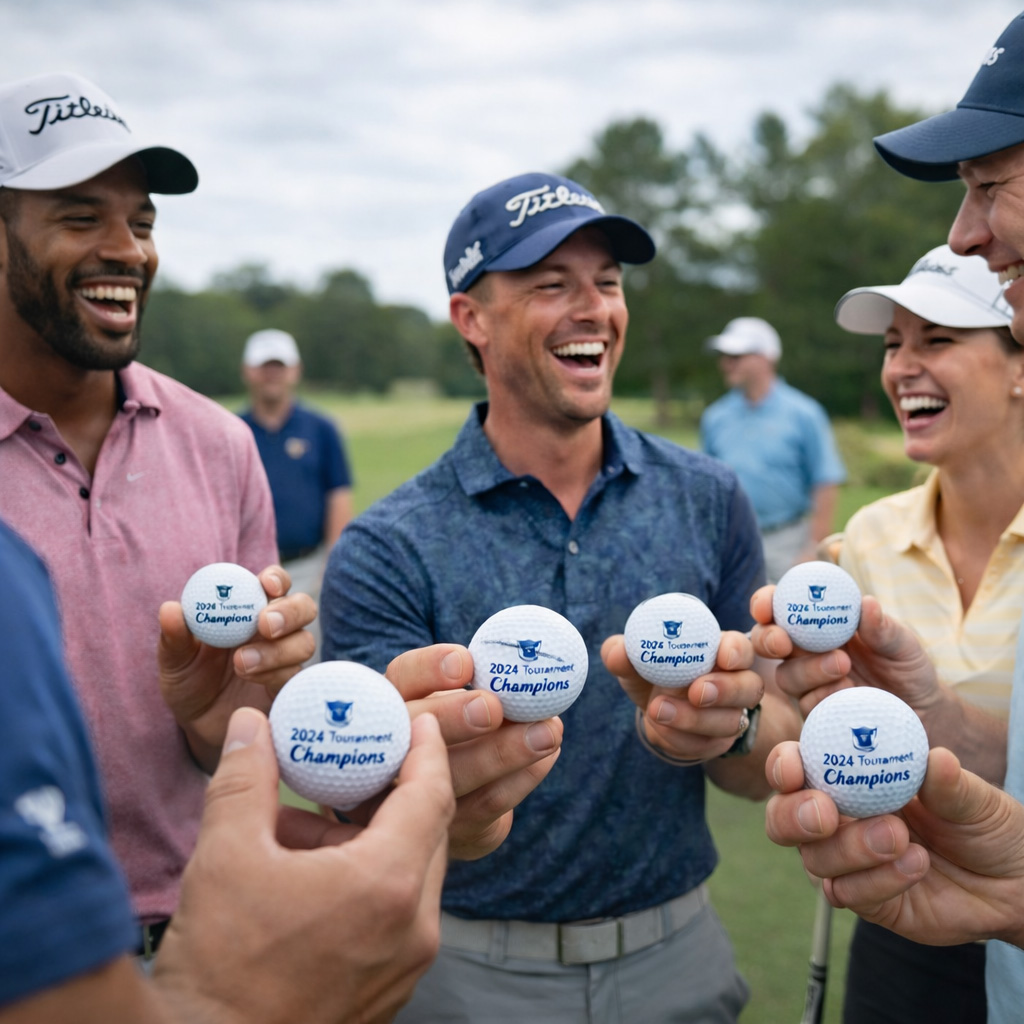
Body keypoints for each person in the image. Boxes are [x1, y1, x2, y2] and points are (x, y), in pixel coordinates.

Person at [321, 171, 802, 1024]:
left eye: (608, 284)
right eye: (552, 285)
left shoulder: (708, 496)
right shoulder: (386, 544)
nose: (595, 309)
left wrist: (732, 724)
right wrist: (442, 793)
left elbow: (754, 768)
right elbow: (359, 801)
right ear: (471, 318)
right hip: (463, 973)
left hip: (678, 960)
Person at [0, 71, 315, 958]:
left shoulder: (220, 444)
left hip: (197, 932)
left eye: (141, 221)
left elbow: (223, 747)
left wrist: (239, 707)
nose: (127, 249)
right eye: (79, 215)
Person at [0, 515, 455, 1023]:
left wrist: (217, 732)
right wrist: (228, 1008)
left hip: (202, 907)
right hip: (108, 955)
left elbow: (224, 736)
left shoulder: (227, 444)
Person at [803, 241, 1024, 1022]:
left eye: (937, 339)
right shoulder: (867, 535)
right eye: (894, 344)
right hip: (904, 908)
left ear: (1019, 364)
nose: (902, 366)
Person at [700, 316, 846, 583]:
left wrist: (813, 546)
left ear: (766, 358)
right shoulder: (715, 417)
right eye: (724, 356)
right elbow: (708, 486)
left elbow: (825, 481)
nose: (726, 363)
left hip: (788, 542)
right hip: (731, 543)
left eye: (736, 355)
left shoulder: (804, 413)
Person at [239, 327, 354, 655]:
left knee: (306, 658)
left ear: (295, 371)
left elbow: (339, 495)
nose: (271, 375)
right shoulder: (232, 430)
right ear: (248, 371)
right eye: (264, 367)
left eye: (279, 367)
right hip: (248, 570)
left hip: (307, 567)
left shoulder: (321, 428)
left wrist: (332, 562)